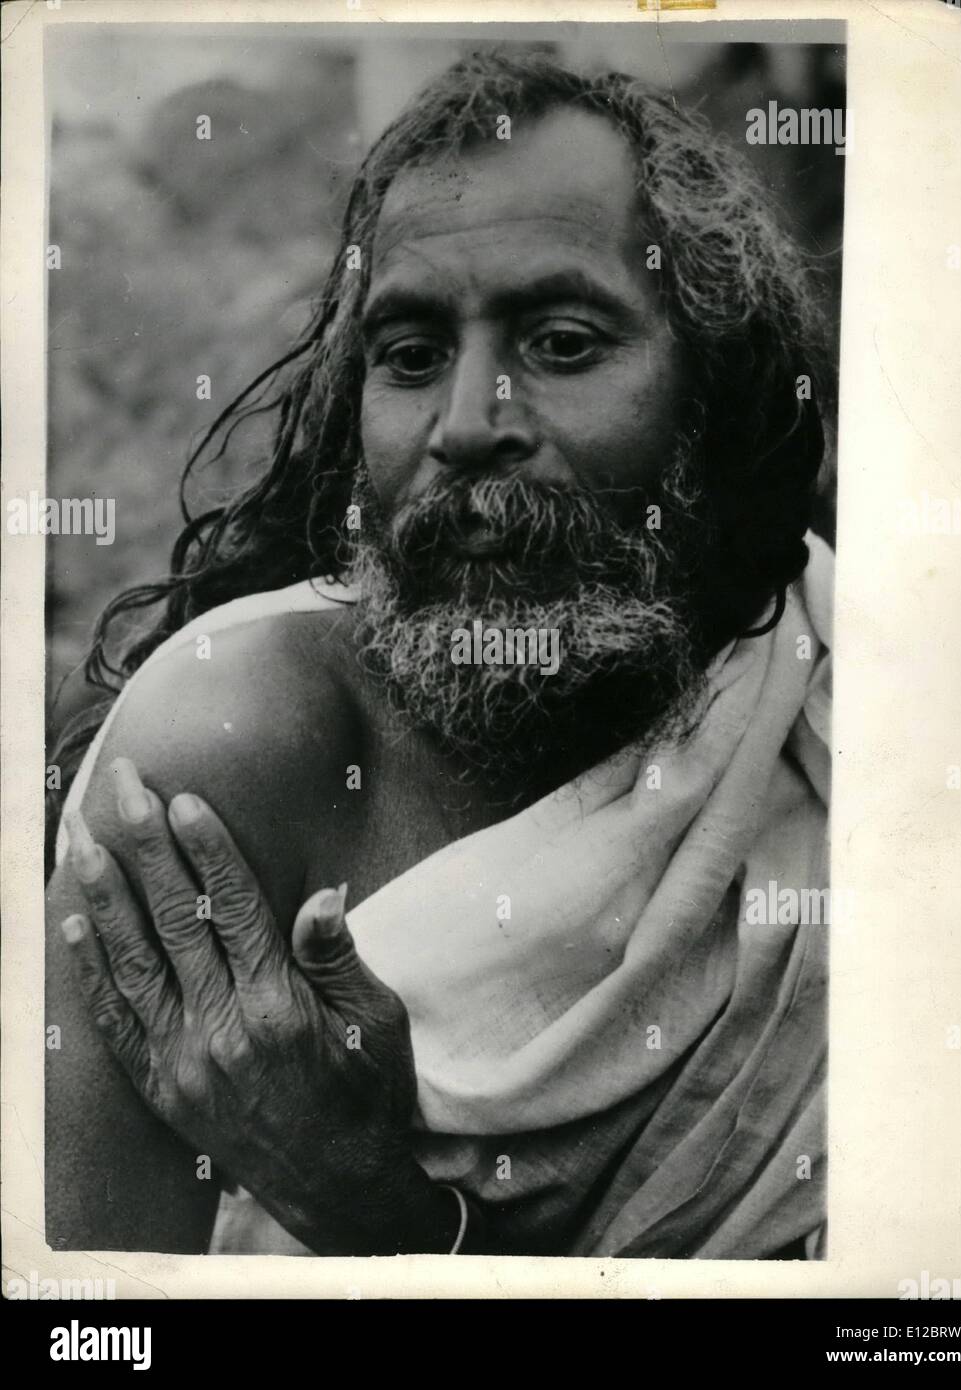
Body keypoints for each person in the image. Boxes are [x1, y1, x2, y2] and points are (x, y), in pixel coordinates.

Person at [46, 50, 833, 1258]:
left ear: (709, 387)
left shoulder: (851, 727)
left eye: (564, 342)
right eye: (410, 356)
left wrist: (385, 1220)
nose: (468, 425)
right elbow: (84, 1326)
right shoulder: (227, 750)